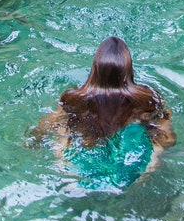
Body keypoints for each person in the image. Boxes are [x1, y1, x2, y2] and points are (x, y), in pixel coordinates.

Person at [31, 36, 176, 189]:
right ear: (128, 70)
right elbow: (168, 140)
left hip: (75, 169)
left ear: (95, 69)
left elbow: (44, 128)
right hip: (134, 171)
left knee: (64, 128)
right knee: (141, 133)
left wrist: (33, 141)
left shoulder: (73, 99)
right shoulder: (148, 100)